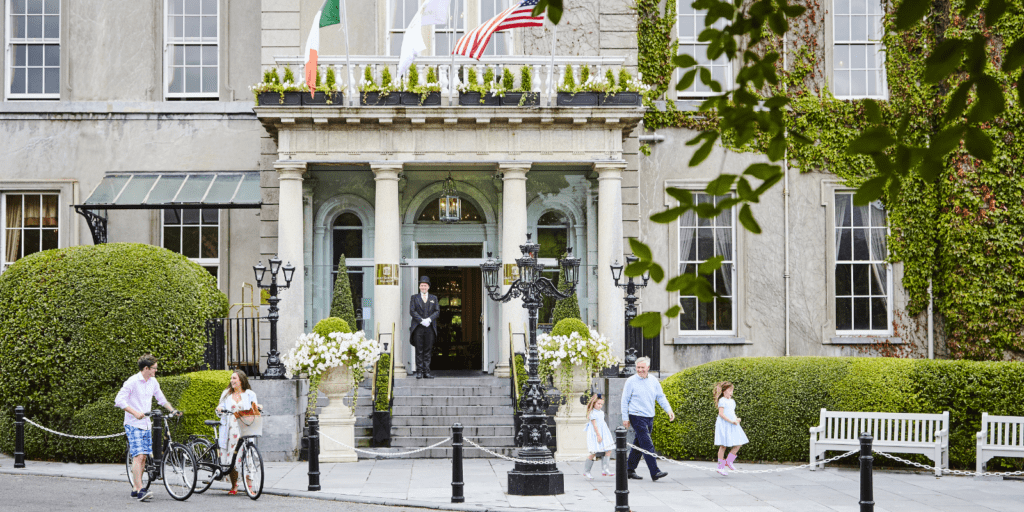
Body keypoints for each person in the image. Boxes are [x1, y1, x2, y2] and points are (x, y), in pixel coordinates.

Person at [115, 354, 180, 502]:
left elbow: (161, 399)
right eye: (154, 368)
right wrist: (135, 412)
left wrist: (172, 410)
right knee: (138, 456)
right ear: (146, 368)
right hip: (133, 424)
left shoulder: (153, 382)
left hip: (146, 424)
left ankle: (135, 488)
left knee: (144, 456)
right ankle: (139, 490)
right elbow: (119, 400)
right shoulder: (132, 382)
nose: (156, 371)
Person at [621, 357, 675, 481]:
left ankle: (629, 469)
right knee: (647, 444)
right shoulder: (630, 381)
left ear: (648, 368)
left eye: (642, 368)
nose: (640, 370)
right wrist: (625, 417)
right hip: (636, 416)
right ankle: (655, 471)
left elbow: (660, 397)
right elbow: (625, 400)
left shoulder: (654, 381)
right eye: (638, 368)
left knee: (638, 443)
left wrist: (669, 410)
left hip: (649, 416)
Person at [215, 370, 260, 494]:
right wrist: (219, 409)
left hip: (244, 428)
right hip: (230, 430)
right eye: (231, 378)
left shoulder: (250, 394)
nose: (232, 381)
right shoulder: (226, 393)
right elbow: (220, 408)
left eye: (234, 378)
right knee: (231, 458)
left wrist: (258, 407)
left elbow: (255, 407)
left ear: (241, 380)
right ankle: (234, 486)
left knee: (247, 457)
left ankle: (249, 487)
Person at [713, 381, 748, 476]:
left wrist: (736, 419)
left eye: (732, 390)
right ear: (724, 391)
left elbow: (732, 412)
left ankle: (729, 461)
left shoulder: (732, 401)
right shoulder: (722, 401)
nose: (731, 392)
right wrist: (731, 421)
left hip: (732, 423)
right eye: (729, 390)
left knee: (739, 442)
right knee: (723, 445)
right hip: (724, 424)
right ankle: (720, 467)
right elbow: (721, 414)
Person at [409, 275, 440, 379]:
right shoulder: (414, 297)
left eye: (425, 285)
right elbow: (412, 311)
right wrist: (421, 320)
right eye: (421, 285)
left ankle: (426, 372)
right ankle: (419, 372)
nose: (423, 287)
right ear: (419, 287)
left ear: (428, 287)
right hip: (418, 327)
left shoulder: (433, 298)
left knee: (427, 350)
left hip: (430, 328)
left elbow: (437, 311)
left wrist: (429, 319)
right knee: (419, 350)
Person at [583, 393, 615, 480]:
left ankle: (605, 469)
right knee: (593, 452)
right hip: (595, 433)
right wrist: (598, 435)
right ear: (594, 403)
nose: (600, 406)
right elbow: (595, 425)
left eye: (601, 404)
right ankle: (587, 471)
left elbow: (602, 424)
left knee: (608, 449)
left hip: (604, 432)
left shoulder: (601, 413)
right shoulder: (592, 413)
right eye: (598, 404)